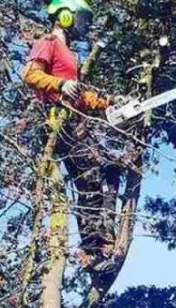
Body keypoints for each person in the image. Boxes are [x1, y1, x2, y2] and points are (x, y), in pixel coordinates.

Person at [22, 0, 119, 271]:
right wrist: (61, 84)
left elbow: (80, 95)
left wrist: (107, 101)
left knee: (107, 169)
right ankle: (93, 249)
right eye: (81, 18)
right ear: (65, 16)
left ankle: (102, 241)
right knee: (88, 179)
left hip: (75, 121)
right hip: (57, 120)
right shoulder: (49, 42)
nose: (84, 26)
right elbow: (30, 75)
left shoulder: (70, 54)